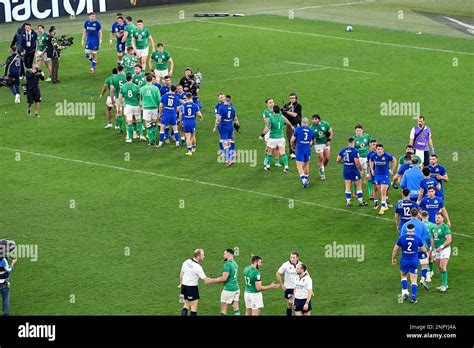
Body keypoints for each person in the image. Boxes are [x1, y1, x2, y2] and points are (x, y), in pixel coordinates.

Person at [392, 224, 428, 303]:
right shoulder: (418, 239)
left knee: (404, 276)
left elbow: (395, 250)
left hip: (404, 260)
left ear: (406, 230)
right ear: (414, 230)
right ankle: (413, 298)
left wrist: (393, 258)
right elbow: (424, 250)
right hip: (414, 260)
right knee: (414, 280)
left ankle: (405, 292)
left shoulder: (401, 238)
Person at [400, 208, 431, 290]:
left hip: (410, 251)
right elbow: (427, 237)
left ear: (410, 214)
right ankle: (422, 279)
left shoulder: (405, 225)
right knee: (424, 264)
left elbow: (402, 238)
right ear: (418, 214)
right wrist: (428, 247)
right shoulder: (422, 224)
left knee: (411, 267)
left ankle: (411, 284)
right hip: (420, 248)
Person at [259, 105, 294, 172]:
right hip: (281, 137)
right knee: (283, 152)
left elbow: (267, 128)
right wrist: (291, 126)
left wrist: (262, 135)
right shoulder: (281, 117)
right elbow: (286, 121)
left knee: (269, 152)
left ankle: (268, 166)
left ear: (273, 111)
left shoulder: (271, 118)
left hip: (273, 138)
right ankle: (286, 167)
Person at [206, 249, 240, 316]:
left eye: (224, 254)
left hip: (228, 290)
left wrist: (211, 280)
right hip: (236, 289)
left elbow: (224, 278)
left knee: (223, 310)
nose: (223, 256)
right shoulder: (235, 264)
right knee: (236, 308)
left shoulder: (227, 265)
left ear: (228, 254)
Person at [179, 249, 211, 316]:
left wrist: (181, 284)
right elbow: (206, 281)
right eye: (203, 255)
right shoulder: (198, 267)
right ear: (198, 256)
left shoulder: (186, 261)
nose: (204, 256)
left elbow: (181, 274)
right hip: (192, 288)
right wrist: (215, 280)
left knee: (186, 305)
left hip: (184, 287)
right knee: (193, 308)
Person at [336, 138, 367, 207]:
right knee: (359, 186)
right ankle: (360, 202)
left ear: (348, 142)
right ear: (354, 142)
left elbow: (337, 160)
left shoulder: (343, 150)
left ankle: (348, 202)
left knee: (347, 186)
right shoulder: (355, 151)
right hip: (353, 170)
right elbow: (357, 162)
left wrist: (345, 162)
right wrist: (361, 170)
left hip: (346, 169)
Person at [370, 144, 397, 215]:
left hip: (385, 176)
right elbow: (371, 160)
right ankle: (385, 205)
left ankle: (382, 207)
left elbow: (394, 160)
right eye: (378, 149)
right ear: (376, 150)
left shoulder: (387, 156)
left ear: (383, 149)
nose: (379, 150)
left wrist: (392, 170)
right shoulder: (374, 156)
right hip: (377, 176)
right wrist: (372, 169)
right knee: (380, 191)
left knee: (383, 191)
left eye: (380, 149)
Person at [119, 73, 145, 143]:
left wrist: (118, 108)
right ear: (131, 79)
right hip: (136, 105)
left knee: (129, 121)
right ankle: (141, 135)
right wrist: (140, 104)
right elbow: (140, 96)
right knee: (138, 120)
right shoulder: (136, 86)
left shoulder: (123, 87)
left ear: (126, 79)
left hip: (128, 106)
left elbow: (120, 98)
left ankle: (130, 138)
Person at [290, 118, 316, 188]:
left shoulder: (298, 129)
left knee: (299, 166)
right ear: (308, 123)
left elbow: (292, 140)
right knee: (306, 164)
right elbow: (312, 142)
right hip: (307, 149)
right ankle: (306, 180)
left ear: (301, 122)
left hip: (300, 149)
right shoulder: (311, 130)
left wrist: (292, 146)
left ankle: (304, 181)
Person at [213, 97, 239, 166]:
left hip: (223, 126)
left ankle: (228, 159)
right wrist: (237, 123)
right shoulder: (232, 108)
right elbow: (235, 118)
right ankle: (232, 157)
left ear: (225, 100)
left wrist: (215, 127)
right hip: (230, 126)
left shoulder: (221, 107)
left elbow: (218, 119)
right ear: (230, 101)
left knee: (225, 143)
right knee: (230, 141)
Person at [276, 252, 301, 316]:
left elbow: (306, 274)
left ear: (297, 258)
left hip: (298, 287)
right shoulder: (285, 265)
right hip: (289, 288)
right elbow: (278, 273)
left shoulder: (301, 264)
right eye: (291, 257)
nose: (292, 259)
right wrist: (281, 284)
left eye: (293, 257)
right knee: (291, 303)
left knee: (295, 304)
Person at [432, 213, 452, 292]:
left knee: (443, 266)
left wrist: (441, 247)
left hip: (444, 249)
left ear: (442, 219)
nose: (437, 219)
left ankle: (444, 285)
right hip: (437, 250)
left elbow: (449, 239)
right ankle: (445, 283)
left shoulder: (445, 227)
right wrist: (432, 249)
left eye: (439, 218)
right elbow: (433, 239)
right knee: (440, 268)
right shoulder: (434, 227)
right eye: (436, 217)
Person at [140, 74, 161, 146]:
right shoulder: (155, 88)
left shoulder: (142, 88)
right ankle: (154, 139)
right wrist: (159, 109)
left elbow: (141, 98)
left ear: (146, 80)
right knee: (154, 124)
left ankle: (150, 140)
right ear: (152, 80)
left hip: (146, 109)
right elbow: (159, 100)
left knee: (148, 124)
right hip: (154, 108)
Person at [311, 114, 333, 180]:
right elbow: (311, 138)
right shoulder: (312, 127)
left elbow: (331, 131)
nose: (314, 121)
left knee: (327, 158)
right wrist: (312, 142)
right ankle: (322, 172)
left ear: (319, 119)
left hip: (326, 143)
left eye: (315, 119)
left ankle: (321, 168)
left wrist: (329, 140)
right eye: (313, 119)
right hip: (318, 144)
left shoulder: (325, 124)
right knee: (321, 158)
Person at [281, 93, 302, 159]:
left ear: (296, 98)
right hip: (289, 124)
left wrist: (286, 112)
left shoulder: (298, 106)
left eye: (293, 98)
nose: (292, 99)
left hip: (296, 124)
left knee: (297, 139)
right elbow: (283, 114)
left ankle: (297, 152)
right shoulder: (286, 105)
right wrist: (282, 111)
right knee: (290, 139)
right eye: (290, 98)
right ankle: (292, 153)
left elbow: (295, 114)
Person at [261, 98, 280, 167]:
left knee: (277, 147)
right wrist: (274, 118)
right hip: (268, 131)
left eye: (272, 102)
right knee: (268, 147)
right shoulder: (265, 112)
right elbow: (266, 121)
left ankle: (277, 161)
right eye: (270, 102)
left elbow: (280, 119)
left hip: (276, 131)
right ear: (267, 104)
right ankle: (266, 159)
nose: (272, 104)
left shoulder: (277, 110)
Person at [0, 240, 16, 316]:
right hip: (4, 283)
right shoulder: (3, 261)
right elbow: (8, 269)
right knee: (5, 300)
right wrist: (13, 262)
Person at [109, 65, 127, 133]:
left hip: (117, 97)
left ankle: (120, 128)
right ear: (123, 69)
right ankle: (129, 127)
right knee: (127, 113)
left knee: (118, 112)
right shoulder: (125, 77)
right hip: (125, 97)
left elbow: (111, 90)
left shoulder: (114, 78)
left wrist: (112, 99)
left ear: (117, 69)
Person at [421, 211, 436, 283]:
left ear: (421, 216)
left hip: (423, 244)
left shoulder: (419, 225)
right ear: (428, 216)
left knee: (425, 260)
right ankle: (430, 271)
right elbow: (435, 237)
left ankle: (428, 276)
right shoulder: (433, 225)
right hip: (431, 244)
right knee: (430, 258)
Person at [366, 139, 379, 206]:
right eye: (373, 144)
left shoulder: (379, 152)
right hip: (374, 173)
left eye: (376, 144)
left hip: (381, 173)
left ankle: (385, 201)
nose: (375, 146)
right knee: (375, 187)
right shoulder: (369, 154)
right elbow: (368, 164)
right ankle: (376, 201)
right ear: (370, 145)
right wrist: (368, 174)